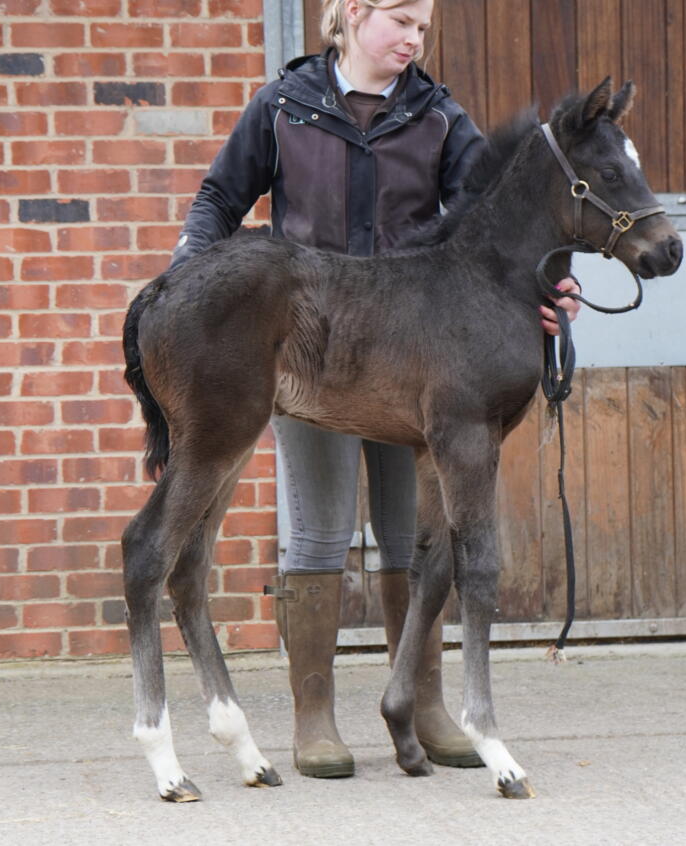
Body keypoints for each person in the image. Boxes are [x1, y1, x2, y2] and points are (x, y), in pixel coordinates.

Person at [170, 0, 581, 779]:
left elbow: (491, 226)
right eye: (401, 21)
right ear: (352, 14)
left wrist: (548, 289)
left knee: (415, 538)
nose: (414, 39)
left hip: (413, 351)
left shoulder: (437, 115)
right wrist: (190, 277)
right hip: (310, 347)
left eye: (422, 28)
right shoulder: (284, 106)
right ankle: (313, 713)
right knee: (318, 536)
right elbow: (220, 198)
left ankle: (421, 703)